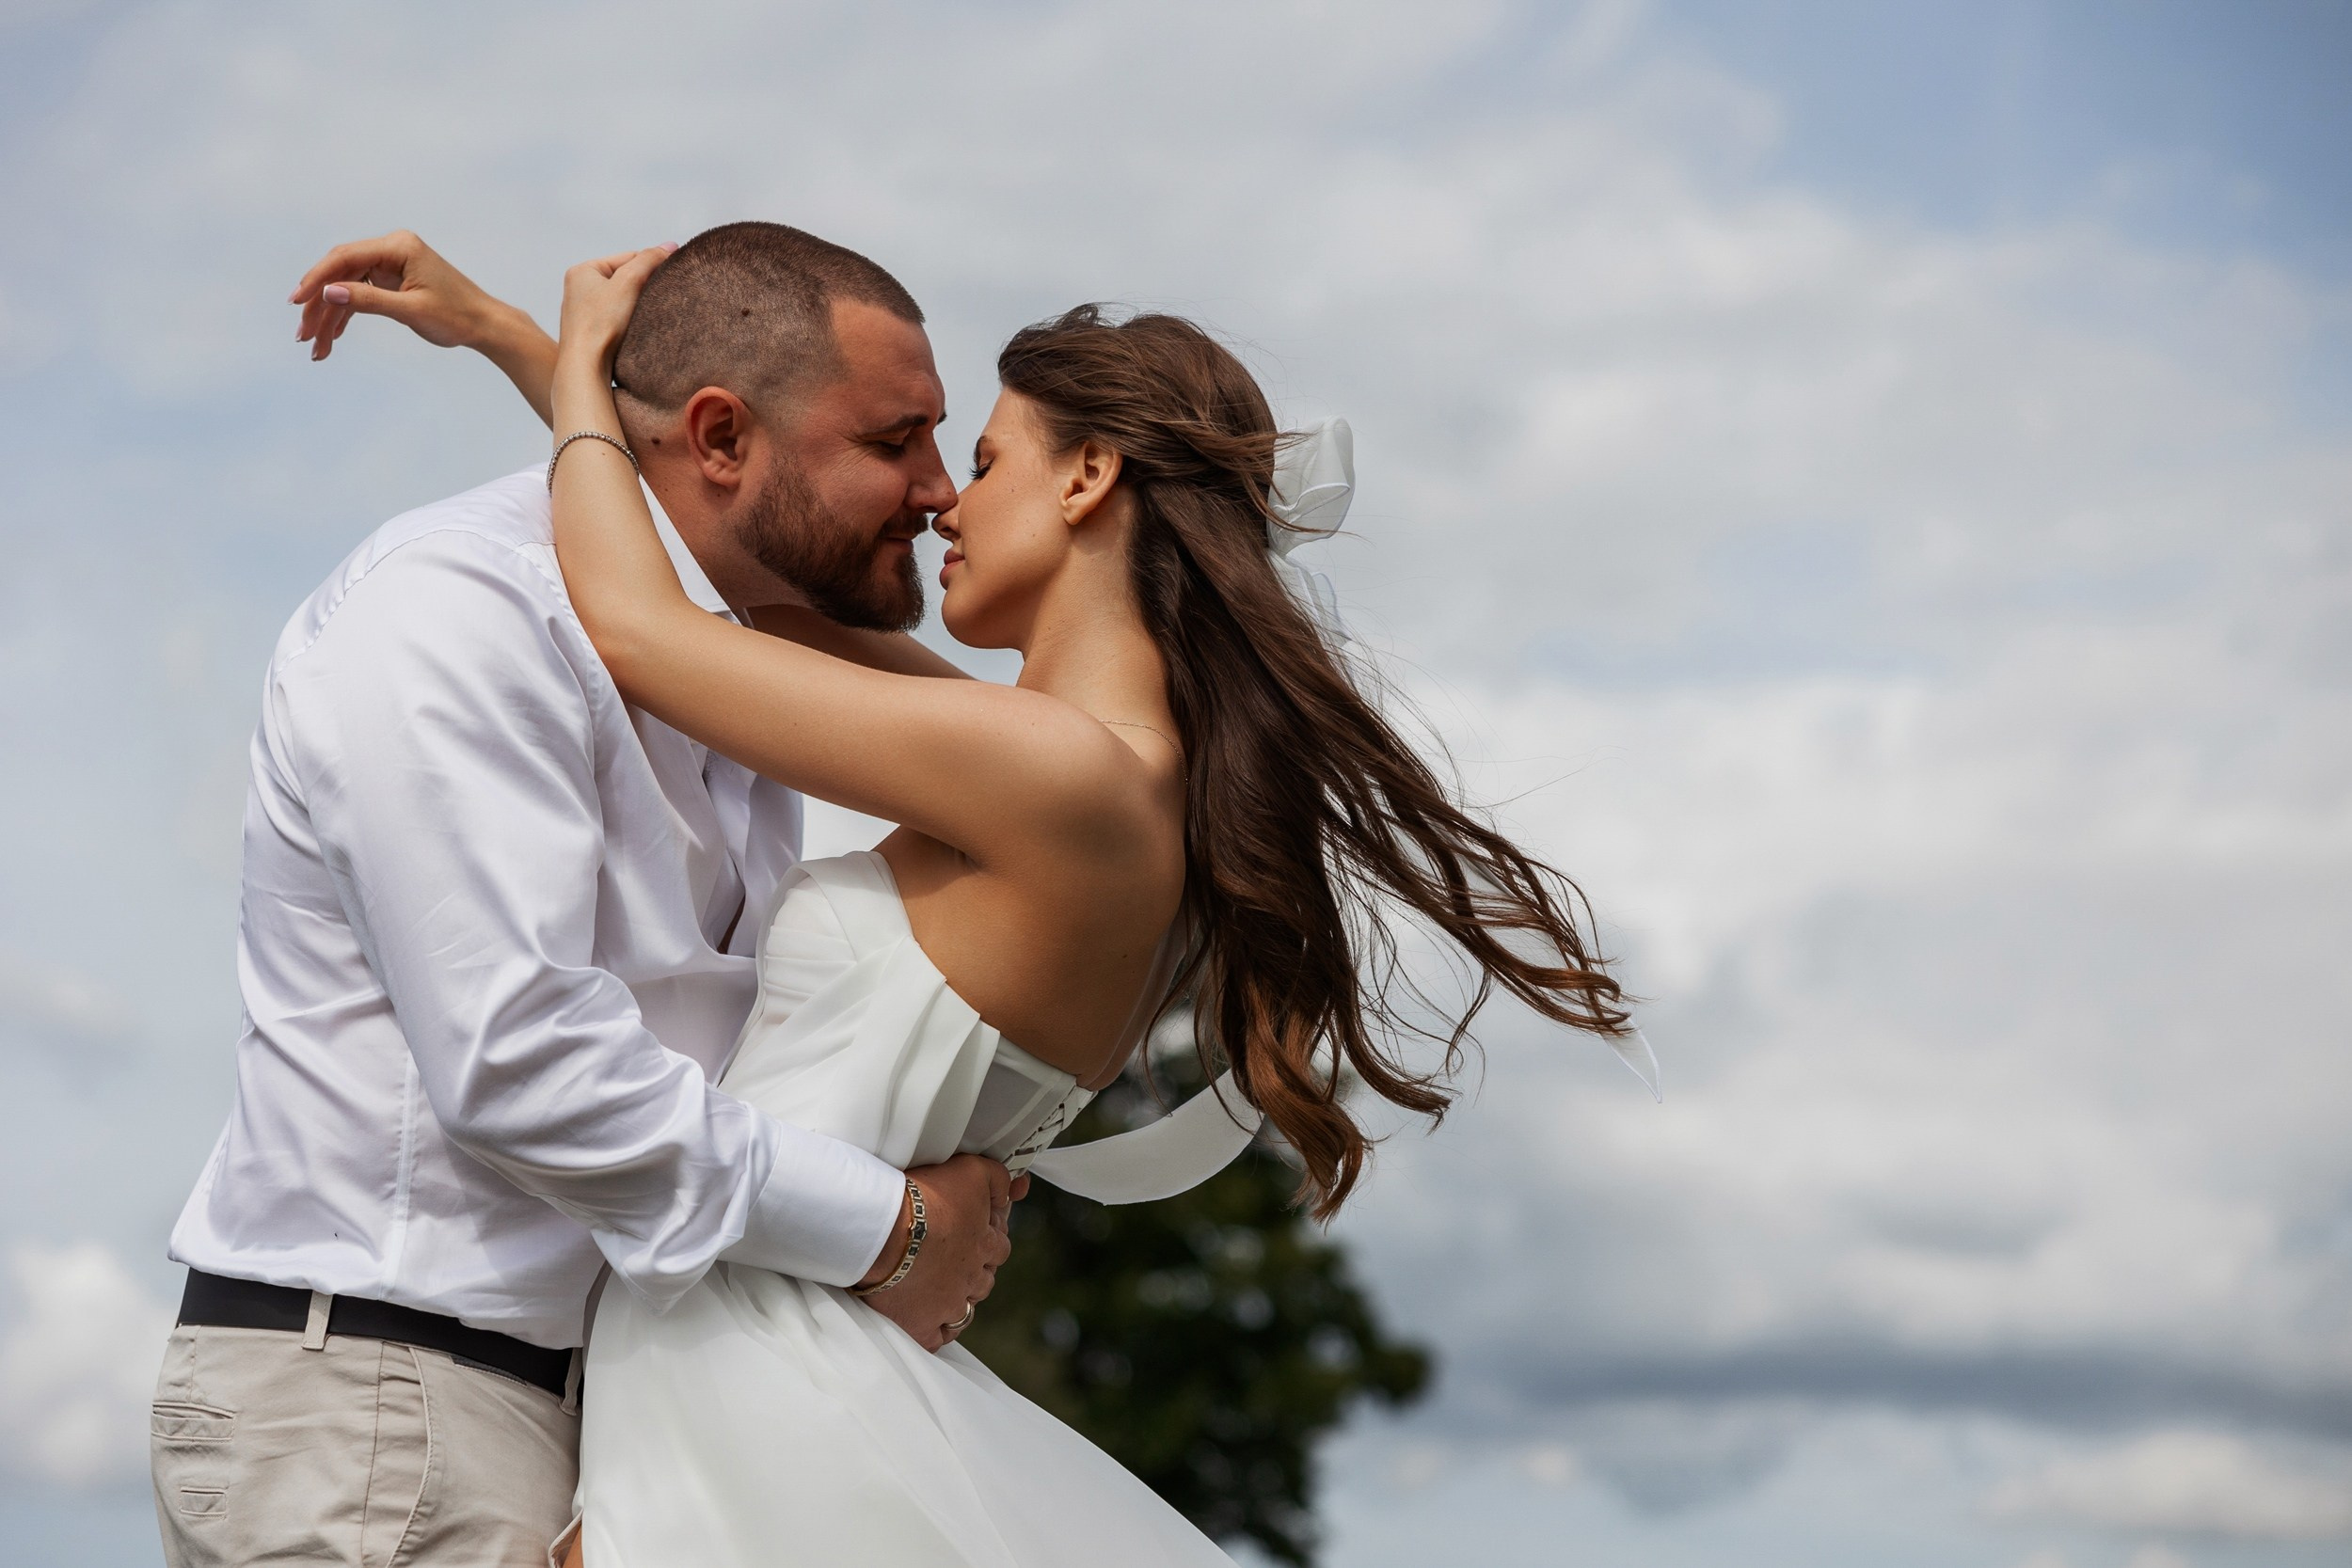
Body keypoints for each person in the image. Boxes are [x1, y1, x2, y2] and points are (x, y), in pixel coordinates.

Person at [516, 237, 1635, 1564]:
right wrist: (515, 349)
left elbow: (647, 635)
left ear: (1089, 478)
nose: (943, 504)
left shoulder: (1051, 776)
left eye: (986, 463)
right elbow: (772, 602)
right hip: (774, 1363)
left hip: (753, 1379)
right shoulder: (1110, 783)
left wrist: (587, 362)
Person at [151, 226, 1021, 1568]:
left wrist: (524, 344)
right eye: (896, 440)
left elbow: (658, 515)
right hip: (385, 1415)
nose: (934, 490)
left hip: (577, 1416)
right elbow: (520, 1059)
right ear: (721, 436)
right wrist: (886, 1234)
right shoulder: (452, 615)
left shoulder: (733, 654)